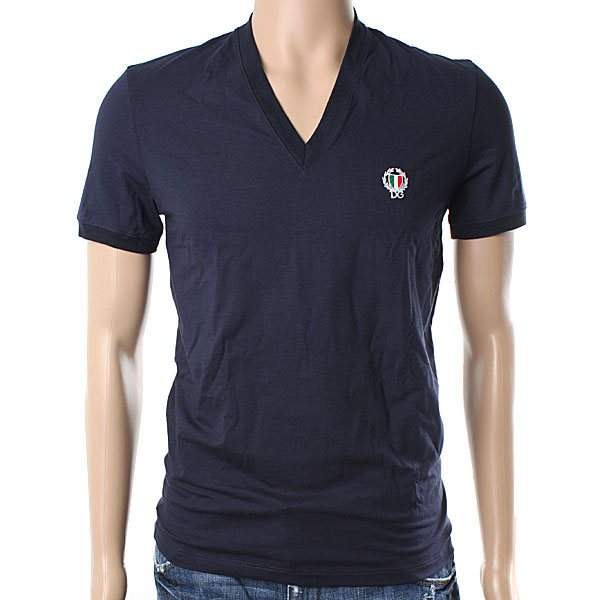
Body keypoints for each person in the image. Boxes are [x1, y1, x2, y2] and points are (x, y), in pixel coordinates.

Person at [77, 2, 526, 599]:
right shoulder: (148, 106)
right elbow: (111, 345)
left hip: (393, 561)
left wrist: (502, 569)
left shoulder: (457, 104)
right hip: (209, 561)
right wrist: (104, 571)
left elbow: (489, 341)